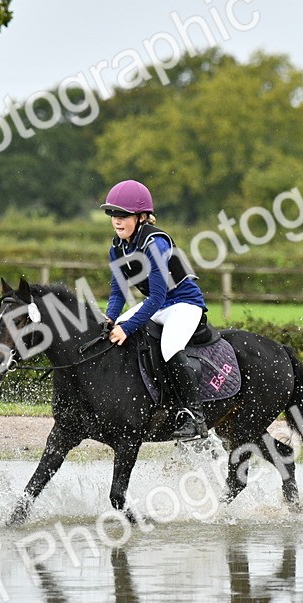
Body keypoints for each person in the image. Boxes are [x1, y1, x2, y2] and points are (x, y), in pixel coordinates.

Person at [101, 179, 209, 440]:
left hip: (183, 304)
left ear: (140, 217)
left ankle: (196, 418)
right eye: (113, 214)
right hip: (159, 305)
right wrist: (110, 320)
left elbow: (159, 295)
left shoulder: (154, 243)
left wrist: (126, 327)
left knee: (169, 347)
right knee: (108, 335)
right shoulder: (118, 247)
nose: (117, 220)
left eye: (123, 215)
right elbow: (118, 293)